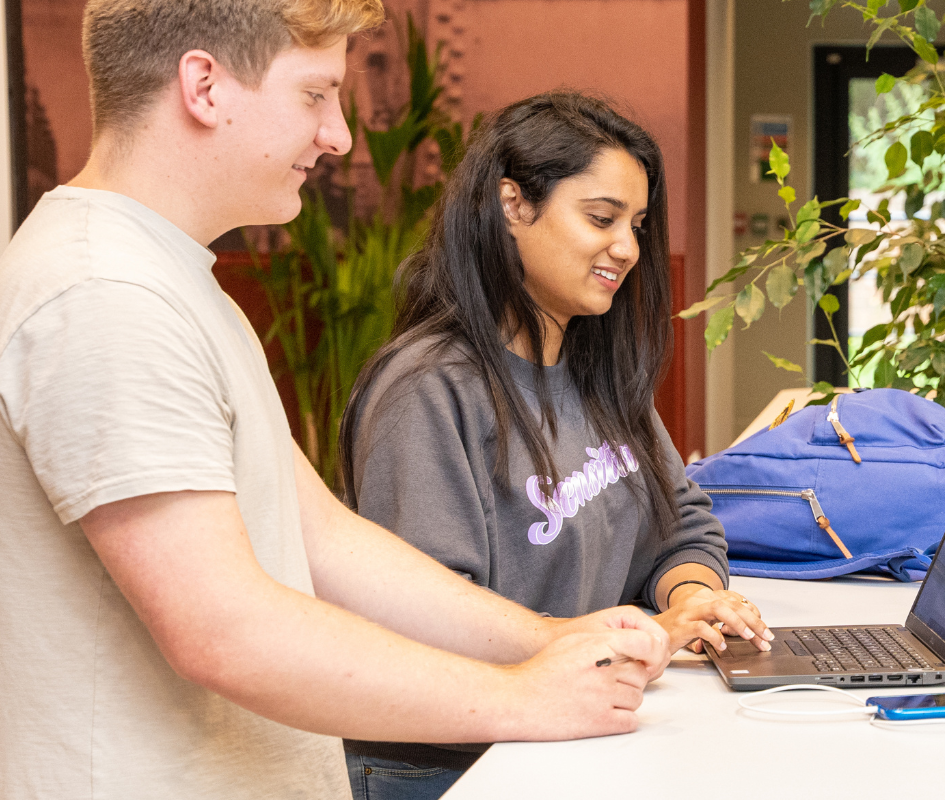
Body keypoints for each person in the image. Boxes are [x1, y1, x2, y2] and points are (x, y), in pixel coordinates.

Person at [0, 2, 673, 797]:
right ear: (204, 86)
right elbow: (224, 632)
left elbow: (323, 539)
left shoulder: (172, 281)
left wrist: (549, 638)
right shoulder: (105, 295)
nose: (339, 135)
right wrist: (524, 695)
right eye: (316, 94)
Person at [337, 90, 773, 797]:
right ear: (513, 205)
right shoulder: (426, 390)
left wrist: (695, 603)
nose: (627, 248)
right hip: (453, 763)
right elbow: (432, 616)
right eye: (601, 218)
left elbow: (683, 525)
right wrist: (638, 638)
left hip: (574, 729)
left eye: (636, 224)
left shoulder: (597, 370)